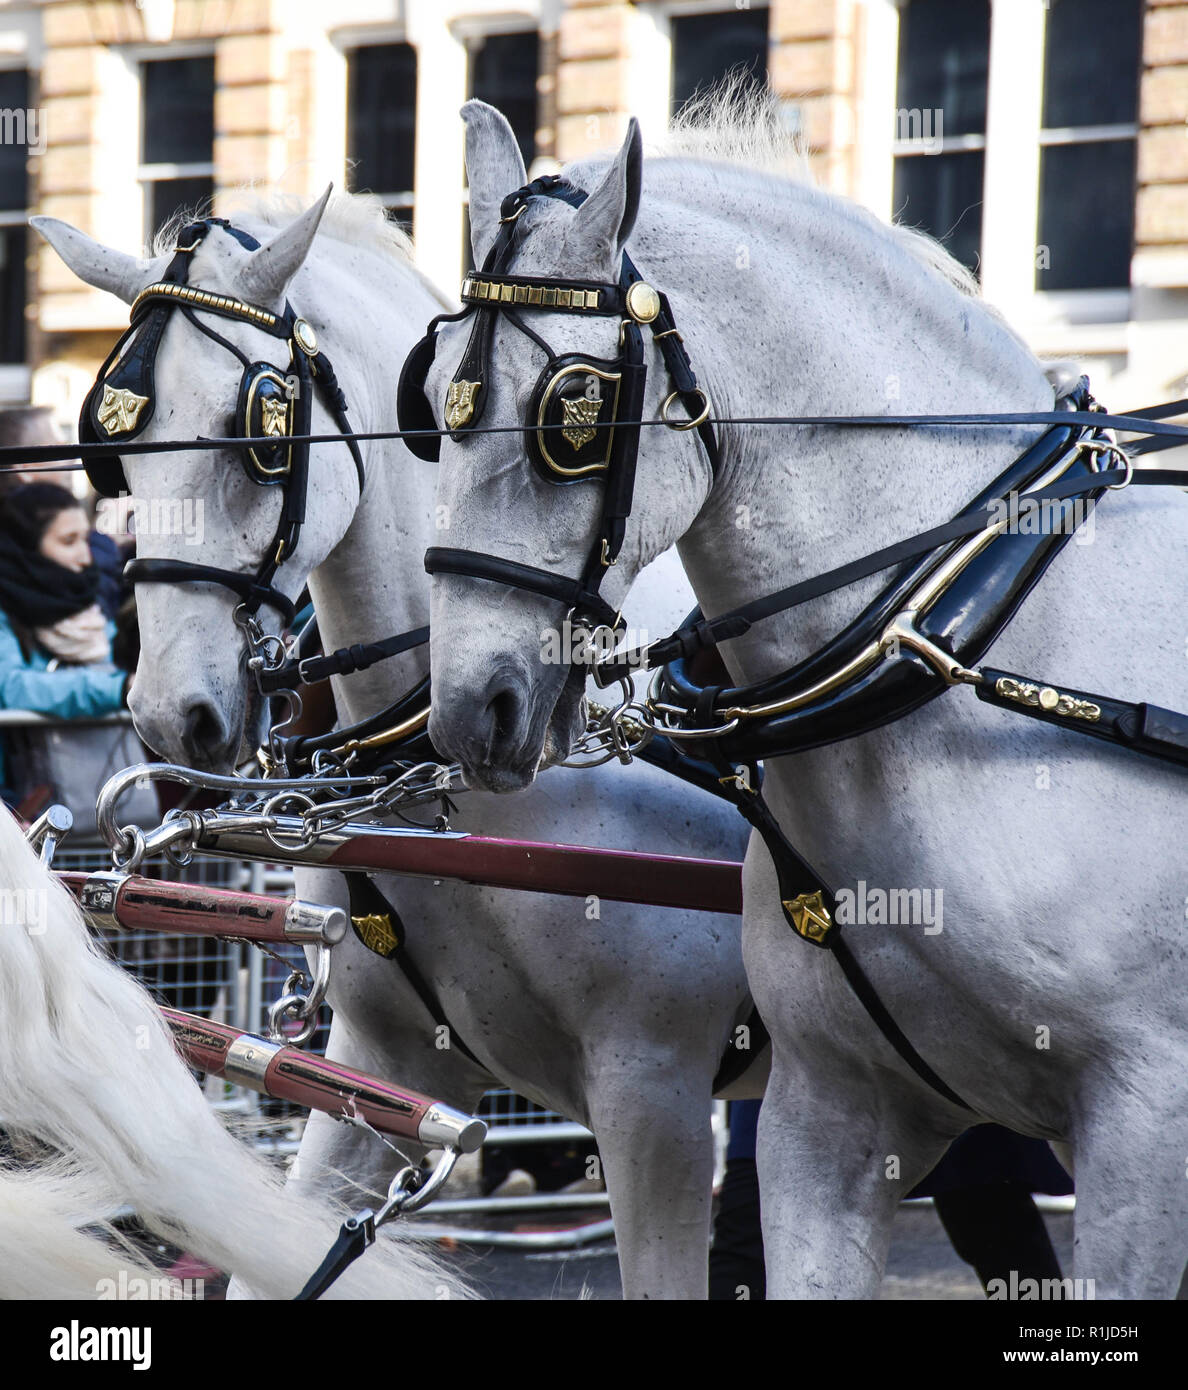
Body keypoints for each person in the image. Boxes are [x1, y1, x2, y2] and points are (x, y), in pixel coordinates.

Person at [0, 482, 130, 806]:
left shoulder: (89, 601)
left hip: (105, 807)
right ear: (26, 547)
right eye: (68, 541)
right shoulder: (5, 612)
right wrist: (117, 689)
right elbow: (14, 688)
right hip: (23, 808)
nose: (86, 557)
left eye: (85, 539)